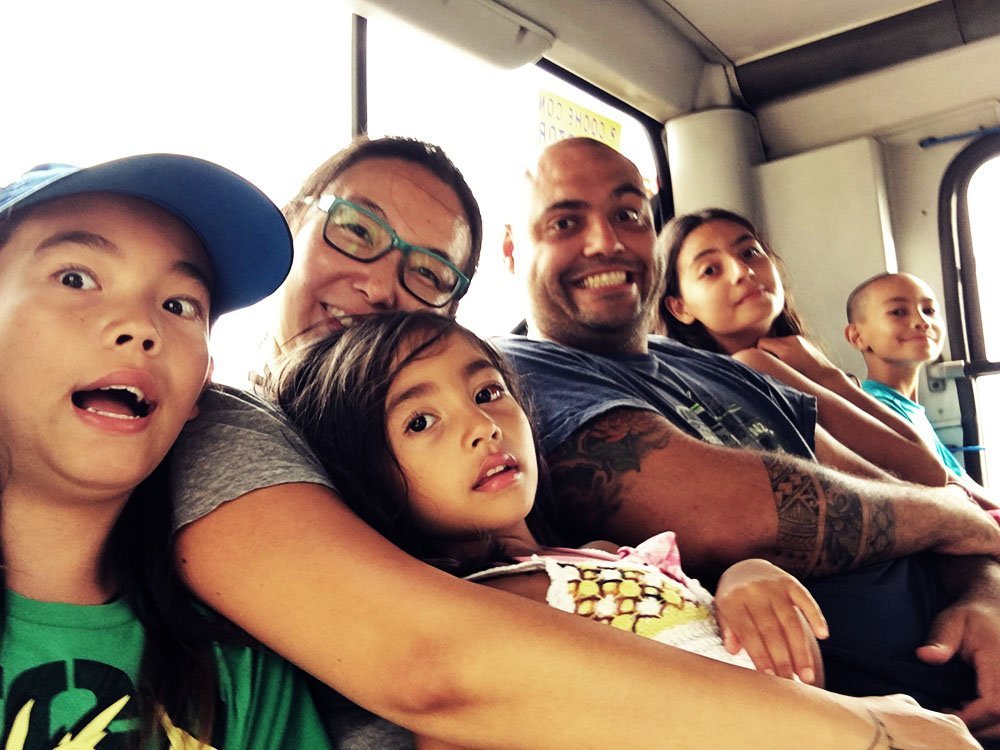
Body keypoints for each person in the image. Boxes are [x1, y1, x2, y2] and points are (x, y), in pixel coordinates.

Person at [168, 135, 981, 750]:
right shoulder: (231, 424)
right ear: (292, 224)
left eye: (429, 274)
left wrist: (982, 576)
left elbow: (916, 487)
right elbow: (436, 670)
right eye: (356, 231)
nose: (383, 286)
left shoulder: (542, 455)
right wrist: (871, 733)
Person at [493, 135, 1000, 743]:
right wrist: (954, 518)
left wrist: (983, 594)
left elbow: (911, 482)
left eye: (628, 215)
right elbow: (731, 515)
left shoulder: (718, 367)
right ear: (510, 250)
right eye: (566, 221)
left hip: (968, 663)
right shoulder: (512, 378)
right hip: (879, 722)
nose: (606, 241)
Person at [271, 309, 833, 687]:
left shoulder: (601, 554)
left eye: (488, 392)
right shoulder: (474, 620)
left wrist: (743, 579)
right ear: (367, 479)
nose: (482, 426)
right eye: (421, 421)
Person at [0, 155, 332, 749]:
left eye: (180, 305)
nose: (140, 326)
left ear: (199, 388)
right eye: (75, 278)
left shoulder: (240, 667)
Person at [657, 207, 952, 487]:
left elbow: (927, 463)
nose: (742, 271)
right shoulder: (751, 365)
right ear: (680, 307)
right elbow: (928, 471)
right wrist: (827, 377)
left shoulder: (789, 362)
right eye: (710, 270)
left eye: (749, 253)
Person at [845, 272, 991, 494]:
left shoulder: (910, 409)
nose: (922, 322)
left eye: (929, 311)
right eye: (898, 312)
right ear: (857, 337)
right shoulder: (876, 408)